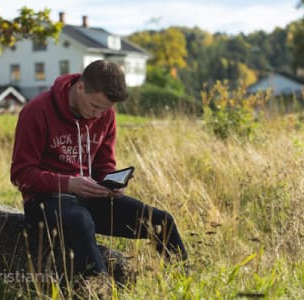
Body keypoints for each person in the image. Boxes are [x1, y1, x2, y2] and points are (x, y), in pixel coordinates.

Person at [10, 60, 188, 279]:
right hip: (45, 201)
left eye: (105, 110)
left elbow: (104, 165)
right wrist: (69, 184)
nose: (98, 115)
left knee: (161, 221)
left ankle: (184, 283)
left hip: (90, 196)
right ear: (81, 87)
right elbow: (21, 175)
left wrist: (112, 184)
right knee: (80, 220)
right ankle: (99, 290)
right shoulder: (36, 111)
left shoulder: (105, 114)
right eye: (94, 107)